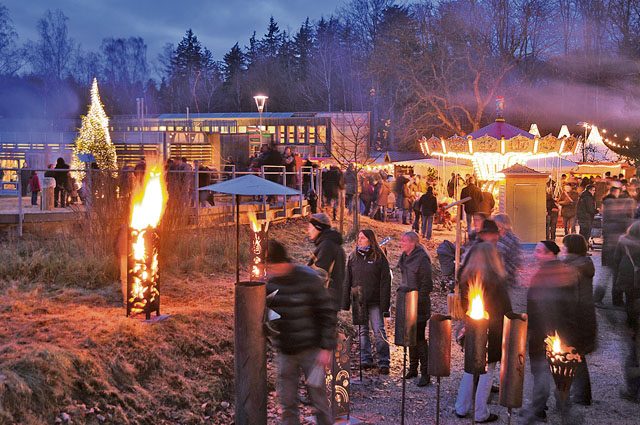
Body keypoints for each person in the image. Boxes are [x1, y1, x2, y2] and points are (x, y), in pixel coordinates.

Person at [266, 240, 337, 425]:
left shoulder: (308, 278)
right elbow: (269, 316)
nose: (268, 270)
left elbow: (326, 313)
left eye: (269, 266)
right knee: (288, 402)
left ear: (278, 262)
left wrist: (326, 347)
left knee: (319, 401)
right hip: (286, 352)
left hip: (311, 351)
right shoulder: (271, 285)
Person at [523, 241, 579, 424]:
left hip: (545, 332)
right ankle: (561, 406)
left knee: (542, 370)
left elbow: (541, 305)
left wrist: (534, 328)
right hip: (563, 331)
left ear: (550, 254)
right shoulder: (566, 271)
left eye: (539, 251)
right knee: (560, 370)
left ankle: (539, 409)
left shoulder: (546, 275)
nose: (535, 254)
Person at [455, 242, 511, 423]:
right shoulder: (496, 279)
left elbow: (464, 305)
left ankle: (461, 407)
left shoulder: (466, 277)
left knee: (470, 369)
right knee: (487, 371)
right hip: (492, 331)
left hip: (473, 327)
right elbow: (505, 309)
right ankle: (480, 412)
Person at [342, 229, 392, 374]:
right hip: (358, 299)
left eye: (363, 238)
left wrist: (385, 305)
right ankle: (366, 359)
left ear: (370, 239)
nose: (359, 240)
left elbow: (385, 282)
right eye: (359, 237)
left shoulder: (379, 257)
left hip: (375, 300)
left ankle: (384, 361)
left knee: (378, 331)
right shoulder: (353, 257)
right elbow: (347, 280)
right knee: (362, 331)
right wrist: (345, 302)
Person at [561, 234, 597, 406]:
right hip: (585, 316)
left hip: (576, 318)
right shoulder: (584, 264)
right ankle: (582, 394)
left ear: (570, 249)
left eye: (564, 246)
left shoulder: (572, 268)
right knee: (578, 357)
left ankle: (580, 396)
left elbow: (570, 298)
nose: (562, 248)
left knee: (575, 356)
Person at [398, 231, 433, 386]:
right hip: (407, 303)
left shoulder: (422, 259)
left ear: (413, 243)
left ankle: (425, 373)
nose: (401, 243)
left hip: (419, 305)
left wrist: (418, 301)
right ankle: (413, 368)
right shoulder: (404, 257)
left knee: (418, 338)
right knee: (410, 336)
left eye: (404, 241)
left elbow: (427, 284)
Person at [597, 186, 636, 305]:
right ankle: (616, 300)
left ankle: (598, 298)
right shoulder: (625, 220)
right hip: (617, 251)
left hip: (608, 250)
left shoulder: (610, 215)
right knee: (615, 276)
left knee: (606, 275)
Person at [307, 213, 346, 308]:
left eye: (310, 227)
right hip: (328, 300)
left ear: (318, 228)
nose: (308, 231)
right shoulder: (328, 244)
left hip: (325, 302)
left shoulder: (327, 246)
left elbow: (320, 274)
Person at [612, 221, 640, 329]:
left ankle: (630, 321)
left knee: (629, 298)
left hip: (627, 272)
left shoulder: (623, 241)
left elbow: (616, 258)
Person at [494, 213, 522, 287]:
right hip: (494, 278)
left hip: (507, 280)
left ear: (503, 225)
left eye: (497, 225)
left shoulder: (513, 240)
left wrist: (503, 272)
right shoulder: (495, 237)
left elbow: (516, 261)